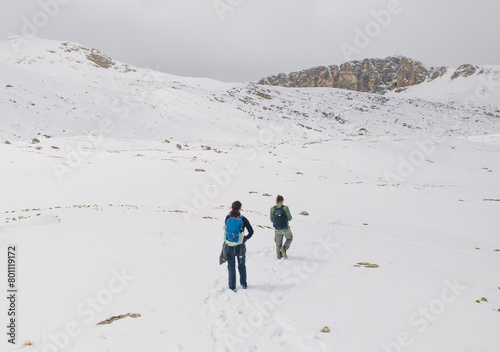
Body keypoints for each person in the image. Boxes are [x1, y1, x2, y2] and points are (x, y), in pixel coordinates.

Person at [224, 201, 254, 291]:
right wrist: (245, 238)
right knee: (241, 265)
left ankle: (232, 286)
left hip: (229, 246)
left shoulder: (227, 217)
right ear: (240, 208)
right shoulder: (243, 219)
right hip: (240, 246)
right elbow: (251, 232)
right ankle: (244, 284)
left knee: (231, 266)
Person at [270, 195, 293, 259]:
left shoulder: (272, 208)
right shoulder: (285, 208)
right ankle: (284, 248)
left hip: (277, 229)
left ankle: (279, 256)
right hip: (285, 228)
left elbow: (271, 219)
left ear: (276, 201)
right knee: (290, 238)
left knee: (278, 243)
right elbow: (290, 218)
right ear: (282, 201)